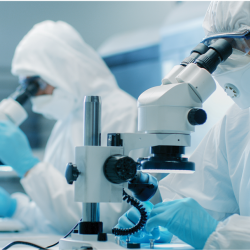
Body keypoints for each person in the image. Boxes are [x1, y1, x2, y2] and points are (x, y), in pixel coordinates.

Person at [116, 0, 250, 249]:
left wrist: (218, 234)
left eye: (242, 43)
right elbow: (197, 199)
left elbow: (208, 228)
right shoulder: (238, 121)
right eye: (219, 48)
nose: (226, 62)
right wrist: (158, 218)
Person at [0, 20, 139, 234]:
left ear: (63, 69)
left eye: (35, 85)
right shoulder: (66, 123)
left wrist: (30, 168)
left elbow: (101, 220)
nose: (34, 96)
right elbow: (53, 219)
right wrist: (13, 208)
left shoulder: (122, 114)